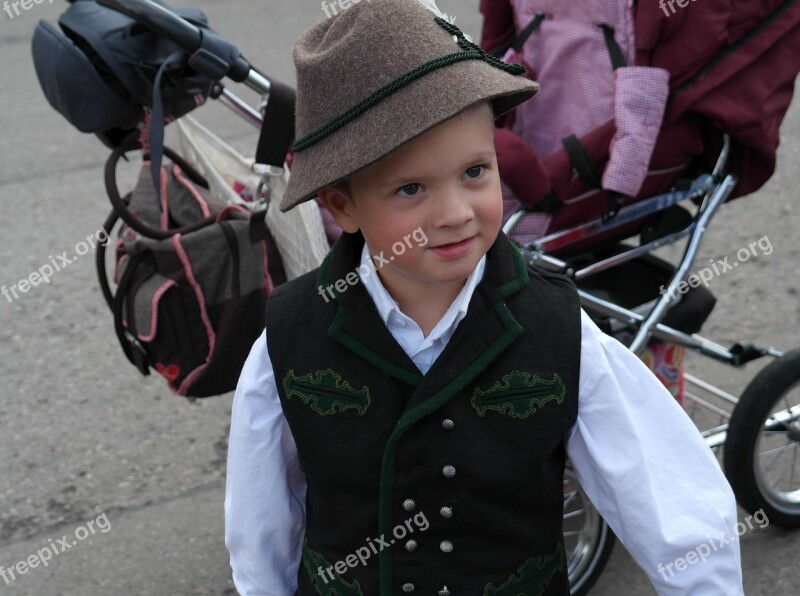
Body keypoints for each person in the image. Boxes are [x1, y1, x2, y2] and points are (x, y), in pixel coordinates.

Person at [225, 1, 744, 594]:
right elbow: (262, 528)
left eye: (476, 172)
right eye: (411, 188)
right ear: (343, 207)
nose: (455, 214)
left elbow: (675, 507)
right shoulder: (290, 340)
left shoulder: (558, 329)